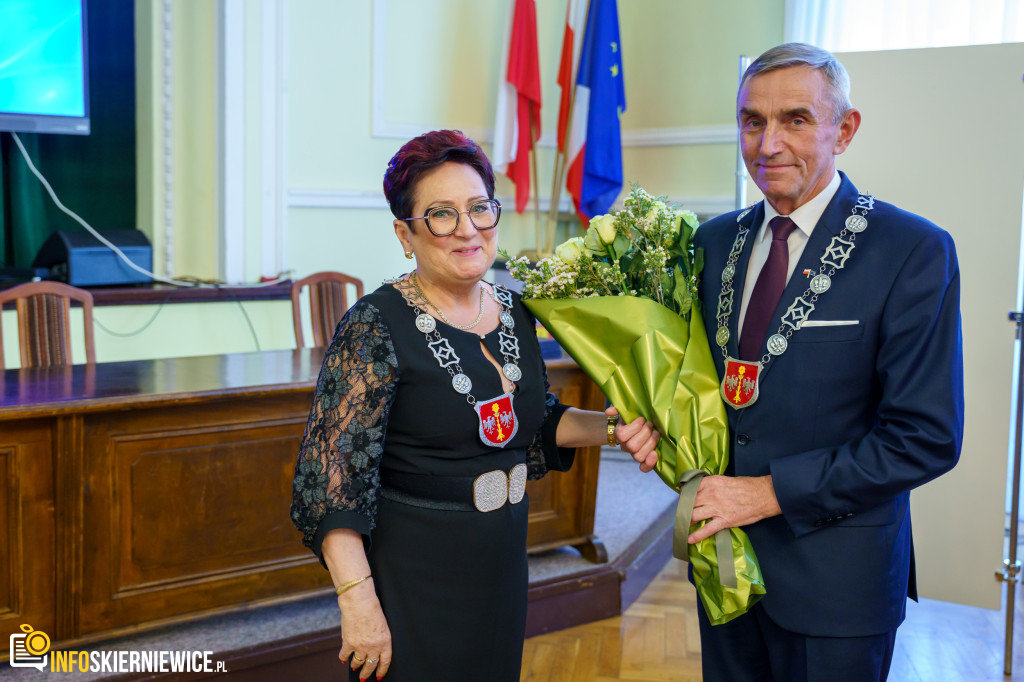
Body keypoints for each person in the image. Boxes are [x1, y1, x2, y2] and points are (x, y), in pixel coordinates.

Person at [290, 129, 659, 682]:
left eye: (479, 208)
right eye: (441, 214)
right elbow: (330, 482)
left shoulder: (514, 309)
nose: (467, 229)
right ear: (405, 233)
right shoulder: (373, 325)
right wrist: (359, 604)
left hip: (500, 562)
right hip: (414, 573)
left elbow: (535, 423)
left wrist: (611, 428)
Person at [688, 43, 964, 681]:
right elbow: (700, 392)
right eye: (752, 121)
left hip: (839, 585)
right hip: (723, 571)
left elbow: (925, 438)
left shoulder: (911, 250)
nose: (768, 143)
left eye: (796, 119)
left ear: (845, 129)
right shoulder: (712, 241)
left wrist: (768, 492)